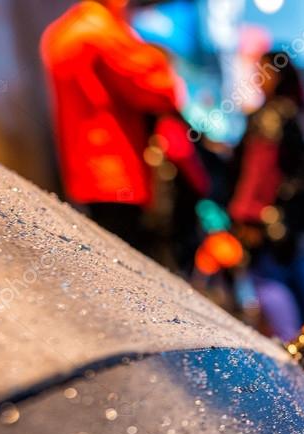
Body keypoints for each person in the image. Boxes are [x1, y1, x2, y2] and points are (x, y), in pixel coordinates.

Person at [40, 0, 181, 253]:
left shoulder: (62, 31)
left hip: (85, 169)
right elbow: (159, 91)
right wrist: (161, 62)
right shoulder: (103, 33)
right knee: (131, 263)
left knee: (104, 255)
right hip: (118, 169)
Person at [228, 51, 304, 338]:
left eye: (264, 71)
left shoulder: (269, 117)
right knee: (295, 281)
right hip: (290, 219)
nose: (258, 78)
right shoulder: (298, 114)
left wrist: (247, 215)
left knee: (267, 282)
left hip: (265, 217)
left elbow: (257, 174)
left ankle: (291, 349)